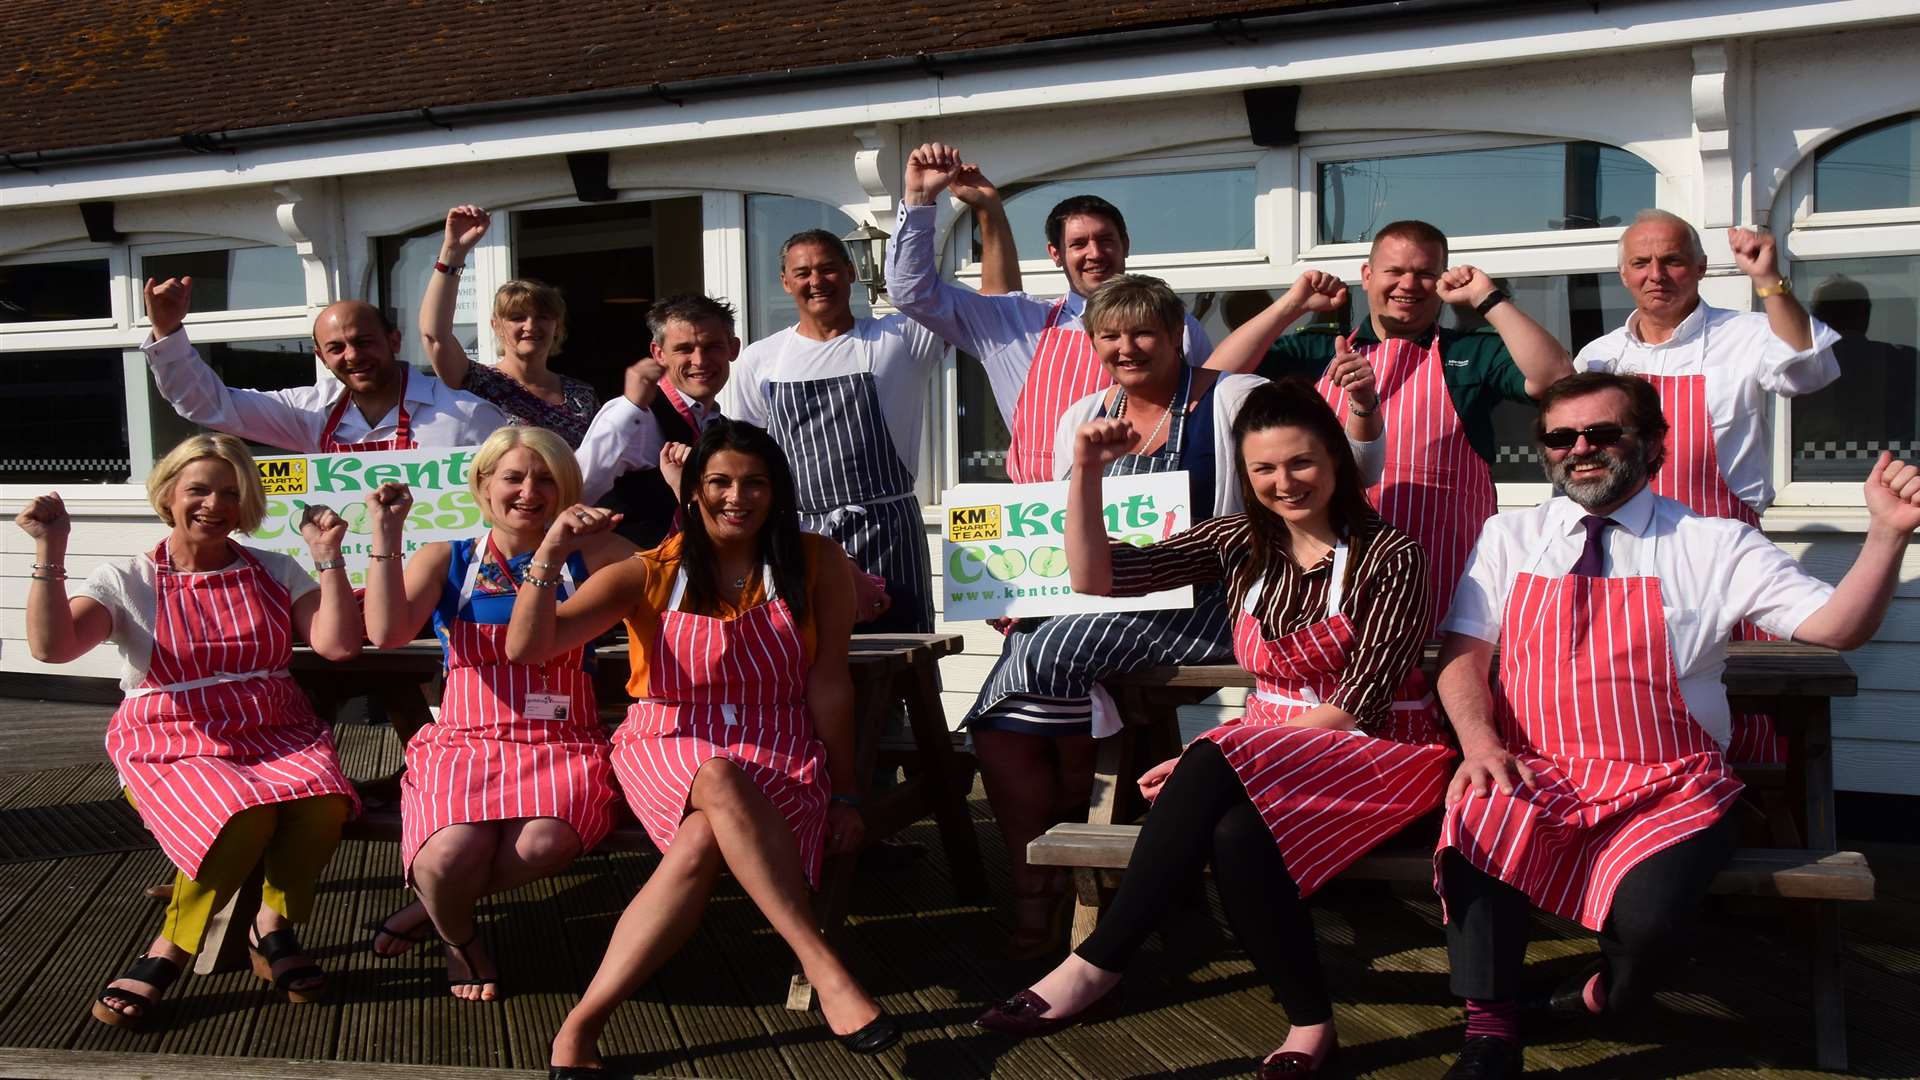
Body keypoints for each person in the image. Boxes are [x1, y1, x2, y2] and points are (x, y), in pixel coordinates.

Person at [1431, 372, 1920, 1079]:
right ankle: (1490, 1035)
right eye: (1561, 437)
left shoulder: (1715, 544)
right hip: (1539, 768)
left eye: (1603, 433)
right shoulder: (1511, 536)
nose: (1581, 449)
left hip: (1672, 784)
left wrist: (1885, 535)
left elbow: (1833, 628)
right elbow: (1462, 657)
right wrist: (1479, 745)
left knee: (1653, 926)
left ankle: (1605, 996)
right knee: (1476, 827)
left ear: (1653, 445)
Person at [977, 380, 1450, 1077]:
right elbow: (1097, 576)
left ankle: (1098, 962)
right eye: (1264, 469)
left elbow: (1361, 703)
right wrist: (1083, 472)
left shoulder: (1391, 556)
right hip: (1266, 755)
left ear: (1337, 462)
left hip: (1377, 755)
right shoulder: (1238, 543)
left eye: (1302, 463)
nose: (1283, 483)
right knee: (1232, 837)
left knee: (1212, 764)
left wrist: (1222, 750)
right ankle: (1312, 1024)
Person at [961, 274, 1384, 957]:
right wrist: (1022, 594)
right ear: (1093, 342)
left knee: (1039, 657)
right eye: (1109, 336)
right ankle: (1048, 855)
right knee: (1021, 666)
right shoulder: (1084, 414)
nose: (1126, 348)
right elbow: (1066, 531)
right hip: (1113, 594)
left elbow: (1355, 468)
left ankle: (1057, 841)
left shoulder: (1235, 398)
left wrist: (1361, 405)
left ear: (1177, 333)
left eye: (1142, 333)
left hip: (1219, 598)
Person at [507, 420, 900, 1072]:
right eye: (719, 482)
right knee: (715, 775)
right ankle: (821, 962)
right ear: (693, 493)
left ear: (776, 493)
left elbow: (829, 681)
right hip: (667, 738)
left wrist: (848, 791)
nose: (736, 497)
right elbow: (530, 646)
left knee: (700, 838)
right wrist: (550, 549)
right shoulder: (648, 570)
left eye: (754, 483)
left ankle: (579, 1027)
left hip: (780, 744)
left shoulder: (815, 561)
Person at [16, 434, 363, 1027]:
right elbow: (53, 648)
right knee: (242, 814)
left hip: (277, 729)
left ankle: (270, 926)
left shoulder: (275, 569)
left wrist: (328, 555)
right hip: (171, 737)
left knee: (325, 802)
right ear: (168, 494)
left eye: (230, 492)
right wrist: (52, 548)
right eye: (198, 489)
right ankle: (170, 950)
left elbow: (336, 644)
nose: (214, 504)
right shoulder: (129, 578)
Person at [360, 426, 631, 1000]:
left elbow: (674, 581)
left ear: (568, 491)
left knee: (545, 845)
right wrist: (386, 531)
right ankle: (461, 941)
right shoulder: (447, 556)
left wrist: (556, 552)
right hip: (464, 740)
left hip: (562, 741)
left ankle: (430, 910)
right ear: (484, 486)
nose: (529, 491)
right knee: (447, 856)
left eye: (546, 480)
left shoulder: (599, 555)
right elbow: (385, 632)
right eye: (513, 477)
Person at [1576, 211, 1842, 763]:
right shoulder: (1600, 357)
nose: (1658, 274)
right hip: (1629, 557)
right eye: (1641, 262)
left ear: (1699, 267)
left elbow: (1811, 373)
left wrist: (1769, 281)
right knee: (1634, 692)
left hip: (1727, 553)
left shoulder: (1745, 332)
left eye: (1672, 260)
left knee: (1749, 700)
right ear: (1623, 274)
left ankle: (1759, 819)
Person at [1210, 223, 1574, 625]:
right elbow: (1214, 379)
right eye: (1394, 271)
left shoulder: (1471, 351)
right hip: (1327, 583)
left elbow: (1557, 377)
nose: (1409, 284)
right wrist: (1289, 306)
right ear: (1367, 276)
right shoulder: (1315, 349)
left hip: (1444, 578)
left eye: (1424, 273)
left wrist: (1488, 299)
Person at [885, 141, 1216, 484]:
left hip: (1141, 513)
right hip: (1041, 521)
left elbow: (1205, 414)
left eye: (1105, 240)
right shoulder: (1014, 322)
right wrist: (920, 198)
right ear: (1055, 254)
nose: (1095, 253)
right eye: (1078, 244)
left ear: (1125, 245)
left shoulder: (1178, 328)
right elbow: (911, 292)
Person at [728, 227, 971, 632]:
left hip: (889, 534)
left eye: (828, 269)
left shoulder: (897, 338)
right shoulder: (760, 360)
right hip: (804, 537)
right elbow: (742, 457)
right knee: (811, 661)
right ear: (786, 283)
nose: (816, 281)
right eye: (803, 272)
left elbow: (992, 308)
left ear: (851, 272)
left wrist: (984, 212)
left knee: (908, 660)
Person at [140, 277, 507, 452]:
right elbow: (211, 406)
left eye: (364, 342)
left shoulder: (465, 414)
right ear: (321, 357)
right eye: (336, 347)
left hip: (438, 588)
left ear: (393, 341)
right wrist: (168, 330)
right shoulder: (310, 412)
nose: (352, 355)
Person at [419, 205, 599, 445]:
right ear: (496, 326)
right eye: (517, 317)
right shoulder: (477, 383)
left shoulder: (582, 396)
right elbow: (435, 336)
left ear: (558, 325)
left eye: (543, 316)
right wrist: (452, 253)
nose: (530, 325)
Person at [577, 294, 738, 549]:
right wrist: (631, 408)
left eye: (712, 347)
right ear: (658, 353)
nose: (700, 360)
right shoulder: (632, 414)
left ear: (733, 349)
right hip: (632, 578)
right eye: (684, 349)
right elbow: (576, 489)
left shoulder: (724, 429)